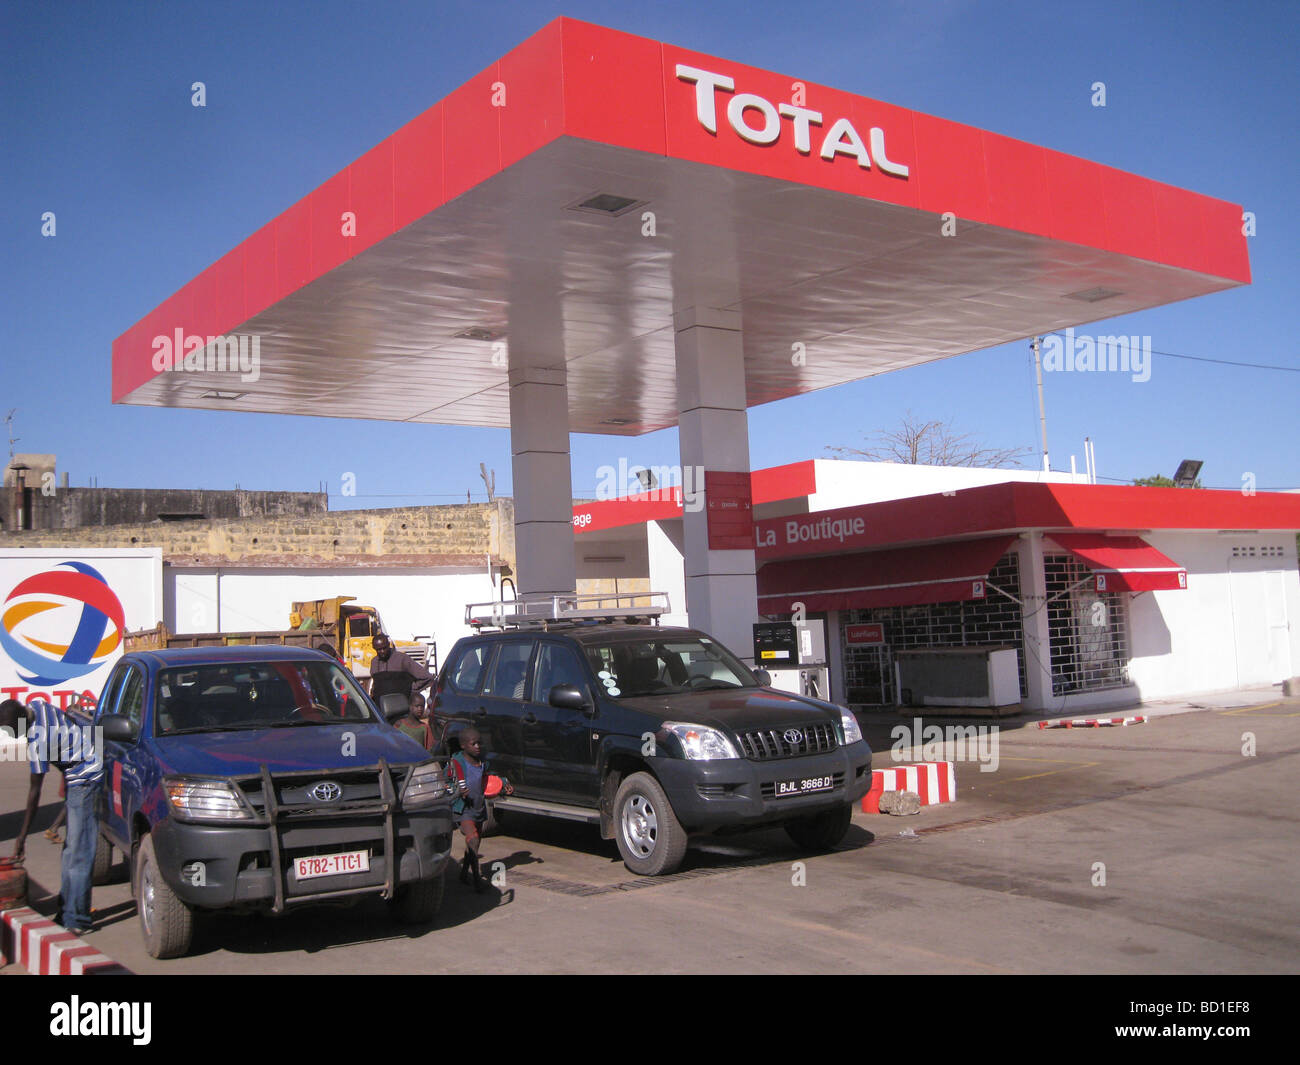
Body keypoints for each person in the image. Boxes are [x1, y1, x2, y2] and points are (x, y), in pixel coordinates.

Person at [0, 697, 104, 935]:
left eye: (10, 729)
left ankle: (78, 920)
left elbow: (34, 793)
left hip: (85, 777)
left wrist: (21, 837)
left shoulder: (39, 741)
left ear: (20, 722)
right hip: (77, 769)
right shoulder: (36, 706)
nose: (9, 734)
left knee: (78, 853)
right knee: (69, 853)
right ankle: (67, 912)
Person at [448, 727, 512, 893]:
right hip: (464, 809)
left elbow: (489, 778)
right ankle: (477, 878)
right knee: (473, 839)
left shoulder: (482, 762)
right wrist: (456, 791)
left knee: (474, 845)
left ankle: (464, 874)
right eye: (473, 743)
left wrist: (503, 784)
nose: (478, 746)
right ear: (463, 745)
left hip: (478, 807)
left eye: (479, 743)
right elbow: (445, 782)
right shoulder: (456, 763)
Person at [366, 633, 433, 702]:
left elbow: (426, 677)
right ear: (374, 648)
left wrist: (410, 689)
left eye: (384, 648)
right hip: (380, 708)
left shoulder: (402, 659)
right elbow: (375, 684)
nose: (382, 651)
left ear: (388, 645)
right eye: (379, 649)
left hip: (400, 707)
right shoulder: (374, 662)